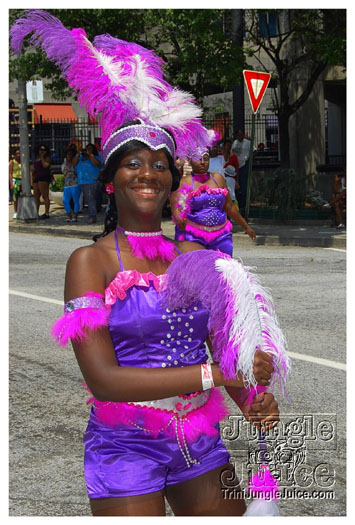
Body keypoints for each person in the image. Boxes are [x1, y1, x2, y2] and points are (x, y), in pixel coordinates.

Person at [11, 11, 286, 517]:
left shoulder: (197, 260)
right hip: (125, 445)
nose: (148, 173)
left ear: (171, 182)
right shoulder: (89, 262)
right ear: (111, 179)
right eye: (133, 163)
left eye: (160, 164)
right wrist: (217, 377)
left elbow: (228, 352)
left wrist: (252, 400)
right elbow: (104, 380)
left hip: (199, 441)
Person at [170, 152, 256, 256]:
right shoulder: (183, 182)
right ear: (190, 161)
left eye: (205, 159)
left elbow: (229, 206)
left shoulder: (218, 179)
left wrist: (246, 227)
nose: (202, 162)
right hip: (193, 237)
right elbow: (175, 206)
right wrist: (179, 218)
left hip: (221, 237)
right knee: (196, 269)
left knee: (223, 268)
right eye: (198, 159)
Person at [74, 144, 103, 224]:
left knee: (91, 200)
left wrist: (90, 154)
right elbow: (74, 163)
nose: (87, 150)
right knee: (87, 200)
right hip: (82, 181)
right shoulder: (80, 159)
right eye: (87, 149)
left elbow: (97, 164)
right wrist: (78, 153)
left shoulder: (96, 158)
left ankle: (92, 216)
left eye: (90, 148)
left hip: (91, 181)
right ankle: (91, 215)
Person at [231, 131, 251, 214]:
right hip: (235, 166)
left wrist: (249, 158)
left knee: (244, 184)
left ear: (243, 135)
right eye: (238, 135)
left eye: (241, 135)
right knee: (235, 184)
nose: (239, 136)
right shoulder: (235, 143)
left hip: (244, 165)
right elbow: (232, 152)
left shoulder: (248, 143)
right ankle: (237, 202)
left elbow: (255, 150)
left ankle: (244, 204)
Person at [31, 144, 52, 219]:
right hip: (36, 177)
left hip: (44, 178)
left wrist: (42, 157)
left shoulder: (47, 158)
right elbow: (33, 169)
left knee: (45, 196)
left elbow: (45, 165)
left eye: (44, 150)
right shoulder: (36, 158)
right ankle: (36, 212)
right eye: (41, 150)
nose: (42, 151)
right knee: (36, 196)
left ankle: (46, 212)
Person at [61, 147, 81, 223]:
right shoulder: (64, 163)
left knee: (76, 200)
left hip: (75, 183)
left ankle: (75, 217)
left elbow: (74, 165)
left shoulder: (76, 162)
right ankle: (69, 215)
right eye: (68, 154)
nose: (69, 155)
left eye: (70, 154)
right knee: (65, 201)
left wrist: (77, 154)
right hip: (67, 184)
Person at [9, 148, 21, 219]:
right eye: (17, 154)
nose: (18, 155)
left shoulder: (23, 161)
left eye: (19, 153)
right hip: (15, 180)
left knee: (22, 197)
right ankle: (16, 212)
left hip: (23, 180)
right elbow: (10, 173)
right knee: (15, 197)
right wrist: (11, 184)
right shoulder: (12, 162)